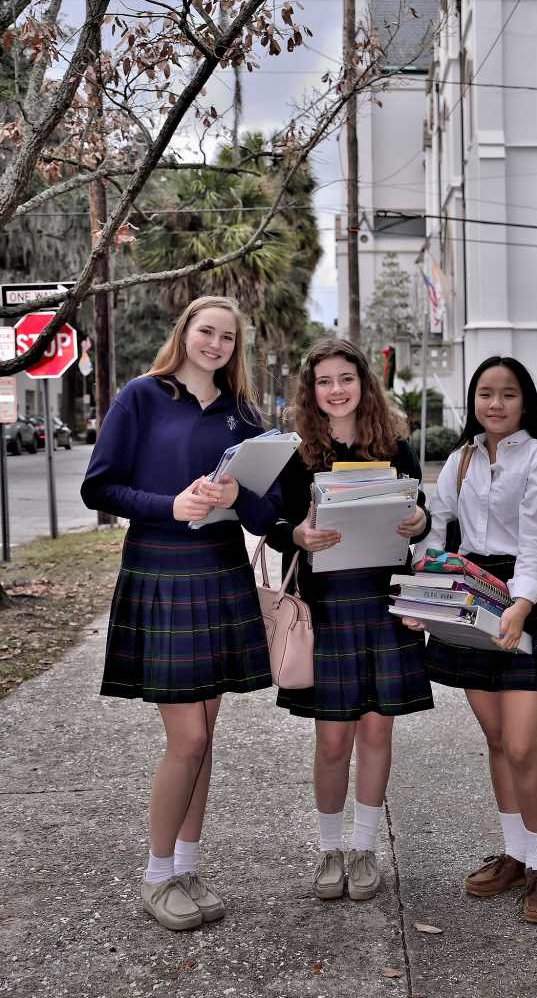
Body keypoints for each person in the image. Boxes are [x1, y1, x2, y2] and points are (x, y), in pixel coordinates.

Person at [81, 296, 281, 931]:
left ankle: (186, 867)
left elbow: (263, 516)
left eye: (227, 337)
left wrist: (240, 492)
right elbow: (99, 486)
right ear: (185, 332)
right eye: (206, 331)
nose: (215, 344)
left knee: (206, 736)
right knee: (188, 738)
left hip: (220, 573)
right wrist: (171, 505)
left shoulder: (242, 415)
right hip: (160, 572)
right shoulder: (141, 396)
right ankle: (156, 873)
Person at [404, 356, 537, 924]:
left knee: (522, 745)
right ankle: (513, 854)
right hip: (468, 595)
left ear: (525, 401)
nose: (495, 404)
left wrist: (521, 605)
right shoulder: (459, 460)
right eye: (485, 393)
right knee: (494, 740)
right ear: (473, 401)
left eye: (507, 394)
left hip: (526, 599)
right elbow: (435, 530)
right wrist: (421, 594)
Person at [266, 338, 433, 903]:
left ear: (363, 382)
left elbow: (420, 515)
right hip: (328, 607)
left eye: (346, 378)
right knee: (333, 739)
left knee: (377, 730)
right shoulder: (299, 454)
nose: (336, 390)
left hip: (383, 601)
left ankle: (366, 849)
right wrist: (298, 534)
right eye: (324, 382)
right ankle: (330, 848)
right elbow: (274, 524)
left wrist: (418, 520)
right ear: (311, 392)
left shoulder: (395, 444)